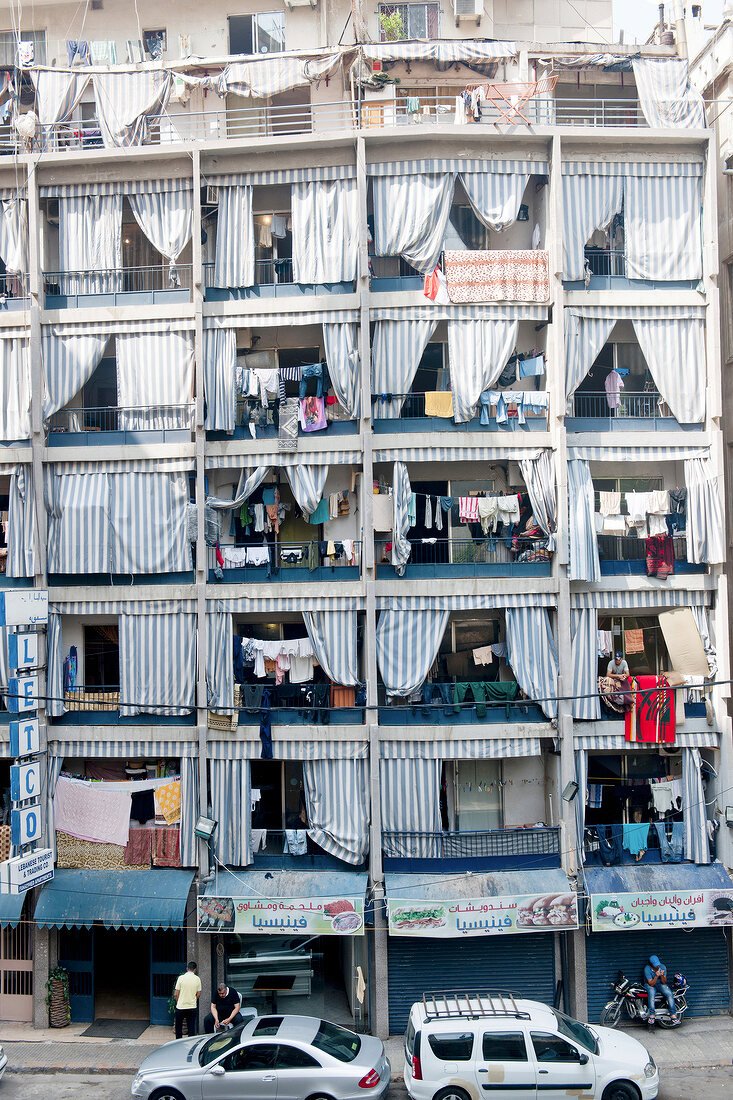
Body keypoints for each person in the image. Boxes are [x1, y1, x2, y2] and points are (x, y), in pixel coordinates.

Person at [643, 954, 679, 1028]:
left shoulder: (662, 967)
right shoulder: (647, 969)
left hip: (660, 984)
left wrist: (662, 975)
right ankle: (652, 1015)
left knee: (669, 993)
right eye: (655, 965)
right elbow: (651, 984)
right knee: (652, 994)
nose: (657, 966)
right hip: (650, 984)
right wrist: (656, 976)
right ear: (651, 965)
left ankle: (673, 1014)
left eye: (658, 964)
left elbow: (664, 982)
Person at [174, 961, 201, 1039]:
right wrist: (193, 1000)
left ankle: (178, 1043)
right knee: (191, 1027)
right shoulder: (197, 979)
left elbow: (176, 994)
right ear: (195, 969)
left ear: (187, 969)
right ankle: (191, 1043)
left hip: (180, 1007)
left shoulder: (181, 978)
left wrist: (178, 1002)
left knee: (178, 1027)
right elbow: (198, 994)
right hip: (192, 1007)